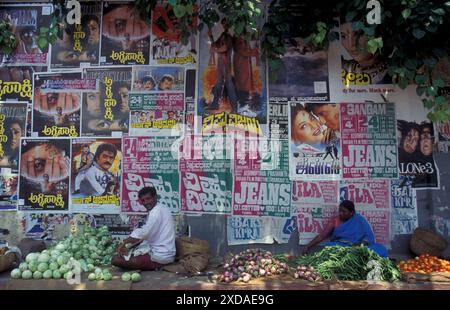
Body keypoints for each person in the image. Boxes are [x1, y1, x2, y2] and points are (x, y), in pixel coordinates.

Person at [112, 186, 176, 270]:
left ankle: (157, 266)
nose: (145, 202)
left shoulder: (156, 211)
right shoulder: (162, 208)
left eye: (148, 199)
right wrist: (128, 245)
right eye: (143, 200)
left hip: (161, 256)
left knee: (115, 260)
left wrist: (124, 242)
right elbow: (146, 234)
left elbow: (144, 233)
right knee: (130, 253)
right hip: (165, 253)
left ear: (155, 197)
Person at [303, 200, 388, 257]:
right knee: (329, 246)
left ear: (352, 213)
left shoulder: (359, 219)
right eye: (340, 211)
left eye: (344, 211)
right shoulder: (335, 220)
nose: (341, 213)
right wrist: (308, 246)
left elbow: (368, 236)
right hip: (342, 247)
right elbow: (322, 235)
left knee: (381, 249)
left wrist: (359, 246)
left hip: (358, 247)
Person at [207, 18, 239, 112]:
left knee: (229, 84)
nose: (224, 25)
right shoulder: (223, 35)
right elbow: (215, 45)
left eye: (226, 24)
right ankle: (214, 104)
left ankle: (234, 108)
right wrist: (211, 37)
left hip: (226, 63)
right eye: (223, 24)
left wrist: (215, 50)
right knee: (218, 84)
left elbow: (224, 48)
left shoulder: (228, 36)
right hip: (221, 63)